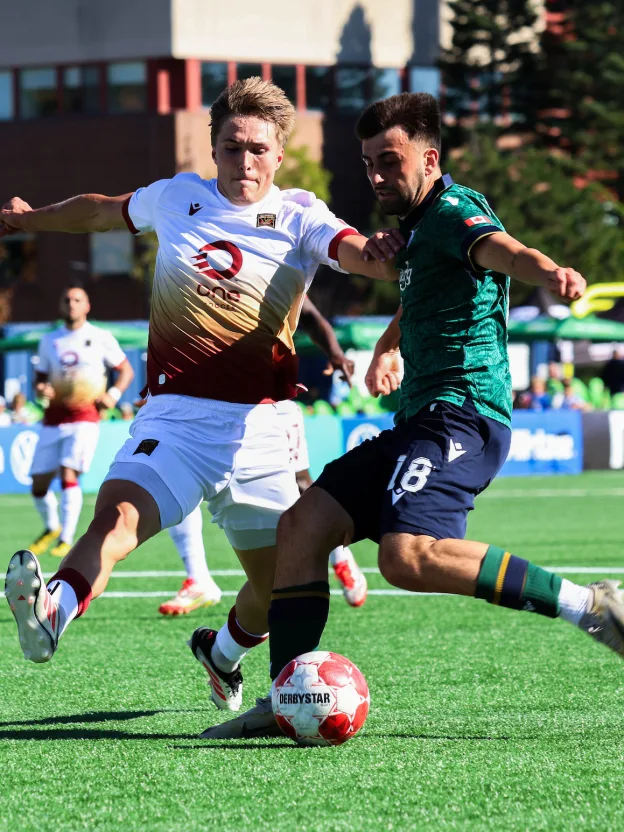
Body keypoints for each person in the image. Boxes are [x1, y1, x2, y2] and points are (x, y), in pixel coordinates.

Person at [241, 92, 621, 739]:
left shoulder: (452, 210)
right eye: (368, 164)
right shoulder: (417, 232)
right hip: (421, 420)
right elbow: (423, 296)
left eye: (390, 161)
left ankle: (591, 605)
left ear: (430, 159)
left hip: (464, 415)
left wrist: (548, 271)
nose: (377, 176)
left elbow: (501, 250)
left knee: (407, 556)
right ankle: (285, 700)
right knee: (302, 527)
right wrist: (388, 346)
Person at [1, 79, 391, 688]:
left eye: (258, 149)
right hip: (176, 418)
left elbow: (356, 253)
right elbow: (99, 209)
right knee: (117, 518)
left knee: (276, 586)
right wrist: (33, 221)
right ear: (213, 148)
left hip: (260, 428)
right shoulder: (177, 196)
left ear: (279, 155)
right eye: (233, 147)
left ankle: (223, 655)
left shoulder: (300, 215)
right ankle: (54, 609)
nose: (245, 161)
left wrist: (388, 253)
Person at [161, 296, 366, 617]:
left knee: (300, 485)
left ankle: (340, 556)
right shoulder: (197, 279)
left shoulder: (275, 275)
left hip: (273, 403)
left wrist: (335, 353)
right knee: (178, 478)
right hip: (212, 405)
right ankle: (198, 578)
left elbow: (310, 314)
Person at [25, 286, 134, 558]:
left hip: (85, 417)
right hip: (53, 419)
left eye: (77, 300)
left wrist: (113, 394)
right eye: (67, 300)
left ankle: (66, 538)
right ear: (61, 306)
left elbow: (126, 370)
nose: (71, 304)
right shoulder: (49, 340)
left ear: (87, 306)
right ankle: (52, 527)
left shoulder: (100, 337)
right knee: (38, 484)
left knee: (68, 473)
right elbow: (40, 378)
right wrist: (41, 389)